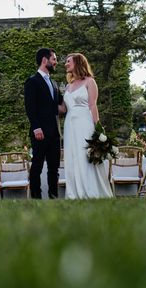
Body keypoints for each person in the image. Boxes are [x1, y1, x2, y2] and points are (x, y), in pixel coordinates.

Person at [62, 53, 113, 199]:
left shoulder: (90, 82)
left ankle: (91, 191)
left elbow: (92, 105)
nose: (65, 64)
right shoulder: (68, 85)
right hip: (69, 124)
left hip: (84, 122)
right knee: (72, 156)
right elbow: (63, 109)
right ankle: (74, 193)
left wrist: (97, 128)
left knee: (85, 155)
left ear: (78, 63)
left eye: (68, 62)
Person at [24, 47, 64, 199]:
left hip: (55, 132)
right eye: (54, 59)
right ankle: (36, 198)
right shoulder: (32, 81)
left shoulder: (54, 83)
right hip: (40, 131)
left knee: (54, 168)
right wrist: (36, 127)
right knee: (37, 166)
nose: (56, 62)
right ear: (44, 60)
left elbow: (60, 104)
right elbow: (30, 107)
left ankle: (53, 196)